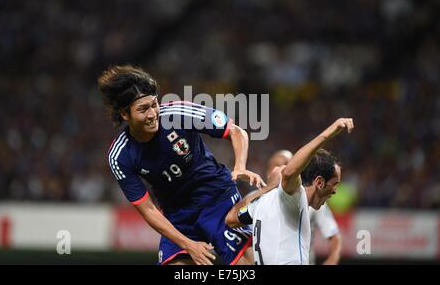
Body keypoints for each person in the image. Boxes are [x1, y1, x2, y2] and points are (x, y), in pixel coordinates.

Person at [98, 65, 265, 265]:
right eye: (143, 109)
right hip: (178, 217)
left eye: (154, 104)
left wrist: (239, 166)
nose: (152, 114)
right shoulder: (120, 155)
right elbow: (148, 210)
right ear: (125, 114)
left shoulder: (179, 113)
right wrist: (188, 244)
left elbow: (235, 131)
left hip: (217, 200)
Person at [225, 118, 354, 264]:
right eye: (334, 184)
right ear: (319, 182)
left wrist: (266, 189)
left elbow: (231, 219)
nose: (335, 190)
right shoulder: (294, 197)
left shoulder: (258, 204)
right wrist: (328, 133)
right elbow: (288, 174)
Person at [267, 150, 342, 265]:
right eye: (278, 165)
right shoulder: (263, 200)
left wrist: (331, 261)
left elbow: (334, 236)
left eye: (288, 164)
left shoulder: (317, 202)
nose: (284, 168)